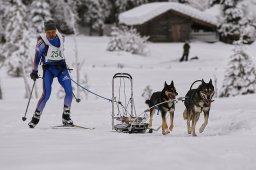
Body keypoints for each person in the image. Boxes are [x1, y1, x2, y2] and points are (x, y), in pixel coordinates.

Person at [28, 20, 73, 128]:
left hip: (62, 69)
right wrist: (34, 71)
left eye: (53, 31)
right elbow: (36, 58)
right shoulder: (42, 42)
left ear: (55, 30)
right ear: (45, 32)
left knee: (69, 91)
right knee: (46, 94)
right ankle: (35, 118)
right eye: (48, 32)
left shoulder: (62, 38)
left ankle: (66, 117)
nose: (51, 34)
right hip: (49, 71)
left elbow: (60, 51)